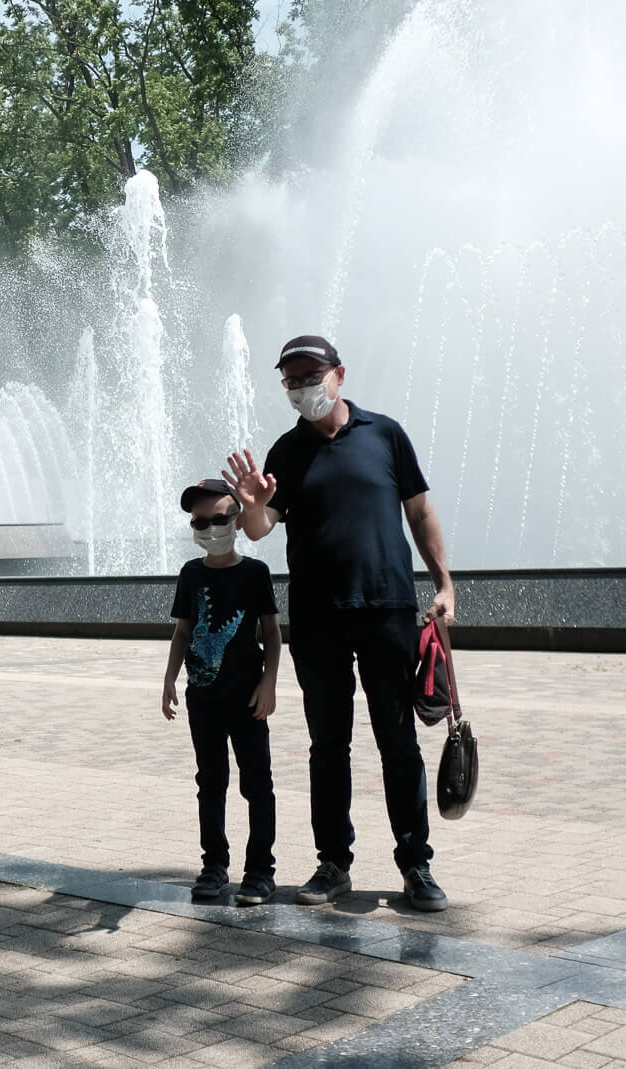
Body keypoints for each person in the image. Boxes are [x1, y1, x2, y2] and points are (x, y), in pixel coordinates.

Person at [224, 335, 455, 913]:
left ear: (340, 374)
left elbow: (420, 510)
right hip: (319, 618)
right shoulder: (286, 451)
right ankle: (334, 864)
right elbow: (258, 530)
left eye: (311, 375)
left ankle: (416, 864)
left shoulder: (385, 434)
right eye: (291, 380)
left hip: (388, 610)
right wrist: (252, 503)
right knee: (328, 746)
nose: (303, 387)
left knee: (397, 741)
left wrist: (445, 583)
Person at [161, 478, 283, 907]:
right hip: (204, 700)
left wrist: (269, 683)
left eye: (218, 518)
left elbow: (271, 633)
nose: (209, 528)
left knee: (257, 784)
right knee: (210, 783)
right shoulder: (190, 574)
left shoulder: (255, 573)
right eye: (199, 521)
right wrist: (169, 678)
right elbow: (182, 631)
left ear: (236, 519)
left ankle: (260, 871)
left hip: (248, 699)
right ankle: (214, 865)